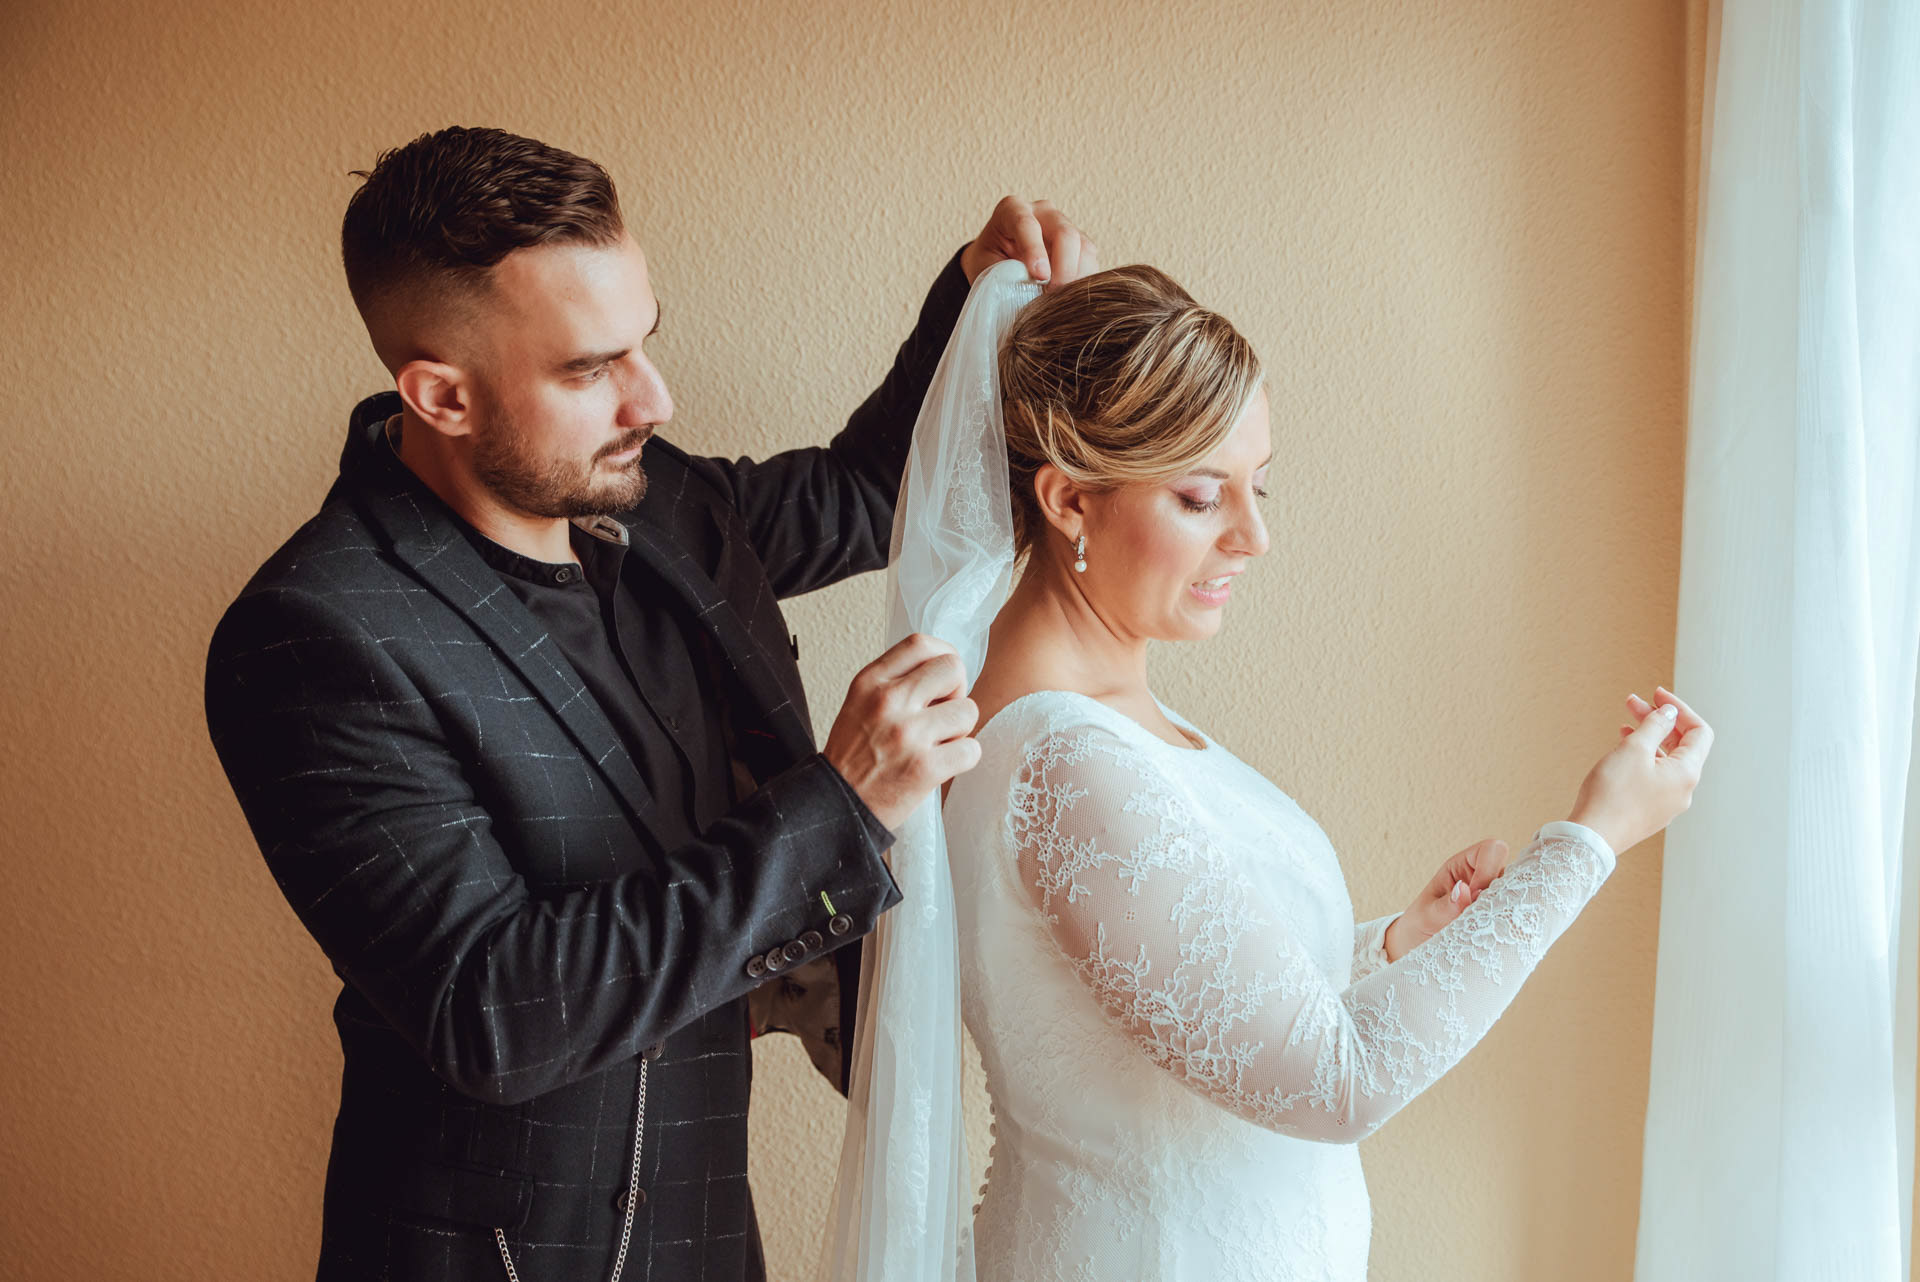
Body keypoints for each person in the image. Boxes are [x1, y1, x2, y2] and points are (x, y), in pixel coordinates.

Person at [202, 125, 1094, 1281]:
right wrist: (841, 806)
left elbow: (868, 494)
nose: (654, 399)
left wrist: (967, 302)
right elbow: (495, 1006)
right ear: (440, 394)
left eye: (644, 344)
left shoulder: (651, 496)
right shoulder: (315, 633)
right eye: (589, 368)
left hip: (709, 1228)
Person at [871, 262, 1713, 1280]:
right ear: (1069, 502)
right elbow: (1335, 1081)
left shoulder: (1091, 723)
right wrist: (1590, 841)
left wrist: (1390, 947)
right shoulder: (1062, 753)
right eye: (1198, 495)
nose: (1253, 536)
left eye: (1258, 486)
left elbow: (1155, 1013)